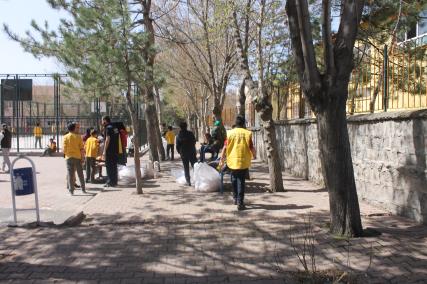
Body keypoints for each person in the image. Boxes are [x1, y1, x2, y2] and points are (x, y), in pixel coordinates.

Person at [220, 115, 256, 211]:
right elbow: (251, 147)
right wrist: (254, 155)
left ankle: (236, 198)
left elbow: (225, 147)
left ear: (235, 123)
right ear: (243, 123)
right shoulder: (247, 133)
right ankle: (240, 202)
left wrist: (222, 159)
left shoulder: (230, 133)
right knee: (241, 181)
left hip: (232, 161)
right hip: (243, 161)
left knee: (234, 179)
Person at [63, 122, 86, 195]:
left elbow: (63, 149)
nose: (78, 129)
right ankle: (83, 189)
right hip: (78, 157)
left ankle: (71, 191)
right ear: (73, 128)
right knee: (80, 174)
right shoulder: (79, 137)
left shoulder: (65, 137)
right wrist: (82, 158)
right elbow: (82, 149)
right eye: (77, 128)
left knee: (70, 174)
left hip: (69, 158)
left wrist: (67, 154)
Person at [176, 121, 197, 186]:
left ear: (180, 127)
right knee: (195, 166)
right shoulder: (190, 133)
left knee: (186, 167)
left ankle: (188, 181)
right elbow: (194, 141)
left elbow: (177, 145)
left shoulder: (178, 135)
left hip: (184, 153)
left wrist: (180, 152)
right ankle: (197, 179)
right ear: (186, 126)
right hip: (192, 152)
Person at [102, 116, 119, 187]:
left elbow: (107, 139)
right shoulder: (115, 127)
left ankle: (110, 182)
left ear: (105, 121)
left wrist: (104, 151)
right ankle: (114, 181)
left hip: (109, 150)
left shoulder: (108, 128)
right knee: (114, 166)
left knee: (109, 166)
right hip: (115, 149)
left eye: (102, 121)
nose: (102, 122)